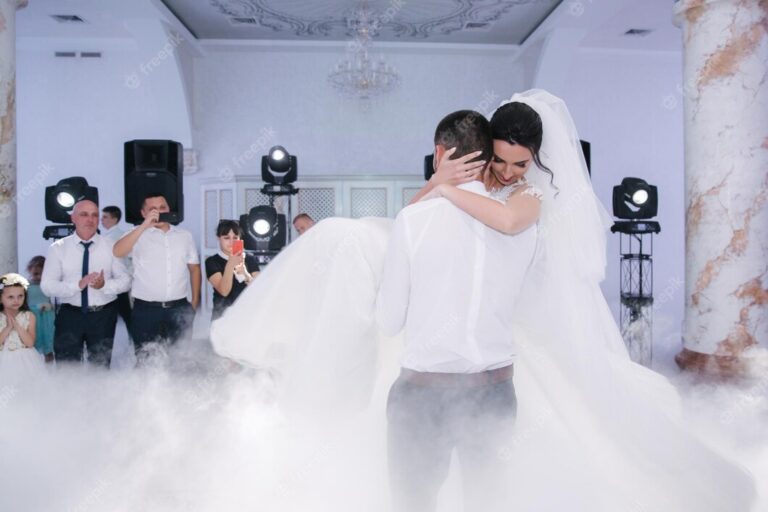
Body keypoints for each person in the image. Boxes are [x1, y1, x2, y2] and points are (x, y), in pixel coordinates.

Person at [211, 90, 754, 511]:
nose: (511, 172)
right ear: (486, 150)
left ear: (535, 161)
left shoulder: (527, 198)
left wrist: (446, 188)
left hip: (492, 363)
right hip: (446, 364)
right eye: (502, 160)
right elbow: (406, 225)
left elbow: (505, 223)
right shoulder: (446, 203)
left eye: (522, 163)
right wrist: (441, 187)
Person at [377, 109, 540, 511]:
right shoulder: (526, 219)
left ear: (439, 153)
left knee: (412, 504)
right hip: (495, 391)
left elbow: (388, 321)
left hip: (422, 395)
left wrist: (438, 186)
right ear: (488, 158)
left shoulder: (414, 220)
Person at [41, 199, 131, 367]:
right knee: (67, 369)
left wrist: (104, 286)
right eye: (84, 214)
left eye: (94, 215)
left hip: (103, 316)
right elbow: (47, 286)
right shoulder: (58, 248)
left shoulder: (112, 246)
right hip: (69, 316)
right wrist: (77, 285)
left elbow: (125, 281)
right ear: (73, 218)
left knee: (100, 369)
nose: (90, 219)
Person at [113, 194, 200, 358]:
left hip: (179, 308)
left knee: (180, 360)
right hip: (146, 311)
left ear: (169, 210)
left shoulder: (185, 236)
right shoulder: (136, 235)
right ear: (143, 213)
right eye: (152, 209)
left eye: (162, 208)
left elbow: (194, 268)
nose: (158, 212)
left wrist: (194, 302)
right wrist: (144, 226)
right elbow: (118, 251)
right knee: (146, 359)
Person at [205, 220, 260, 321]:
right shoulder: (212, 261)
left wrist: (246, 275)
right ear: (218, 238)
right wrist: (230, 264)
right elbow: (224, 291)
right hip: (222, 318)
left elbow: (260, 290)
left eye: (235, 238)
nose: (231, 242)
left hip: (247, 316)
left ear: (240, 239)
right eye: (226, 238)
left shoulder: (249, 259)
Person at [0, 273, 46, 386]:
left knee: (28, 388)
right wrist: (8, 328)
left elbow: (30, 343)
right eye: (11, 297)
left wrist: (17, 326)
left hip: (25, 360)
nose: (16, 300)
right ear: (1, 298)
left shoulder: (29, 316)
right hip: (3, 360)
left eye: (20, 296)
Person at [100, 206, 132, 331]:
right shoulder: (123, 234)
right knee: (126, 315)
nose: (101, 220)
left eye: (105, 217)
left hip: (116, 280)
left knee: (121, 314)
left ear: (114, 219)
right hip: (123, 280)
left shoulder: (111, 238)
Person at [25, 256, 55, 362]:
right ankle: (34, 367)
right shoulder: (26, 286)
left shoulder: (49, 285)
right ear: (30, 271)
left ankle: (49, 368)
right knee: (33, 344)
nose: (39, 277)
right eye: (35, 274)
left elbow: (54, 302)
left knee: (49, 344)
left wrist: (49, 306)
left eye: (42, 274)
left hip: (47, 318)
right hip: (33, 318)